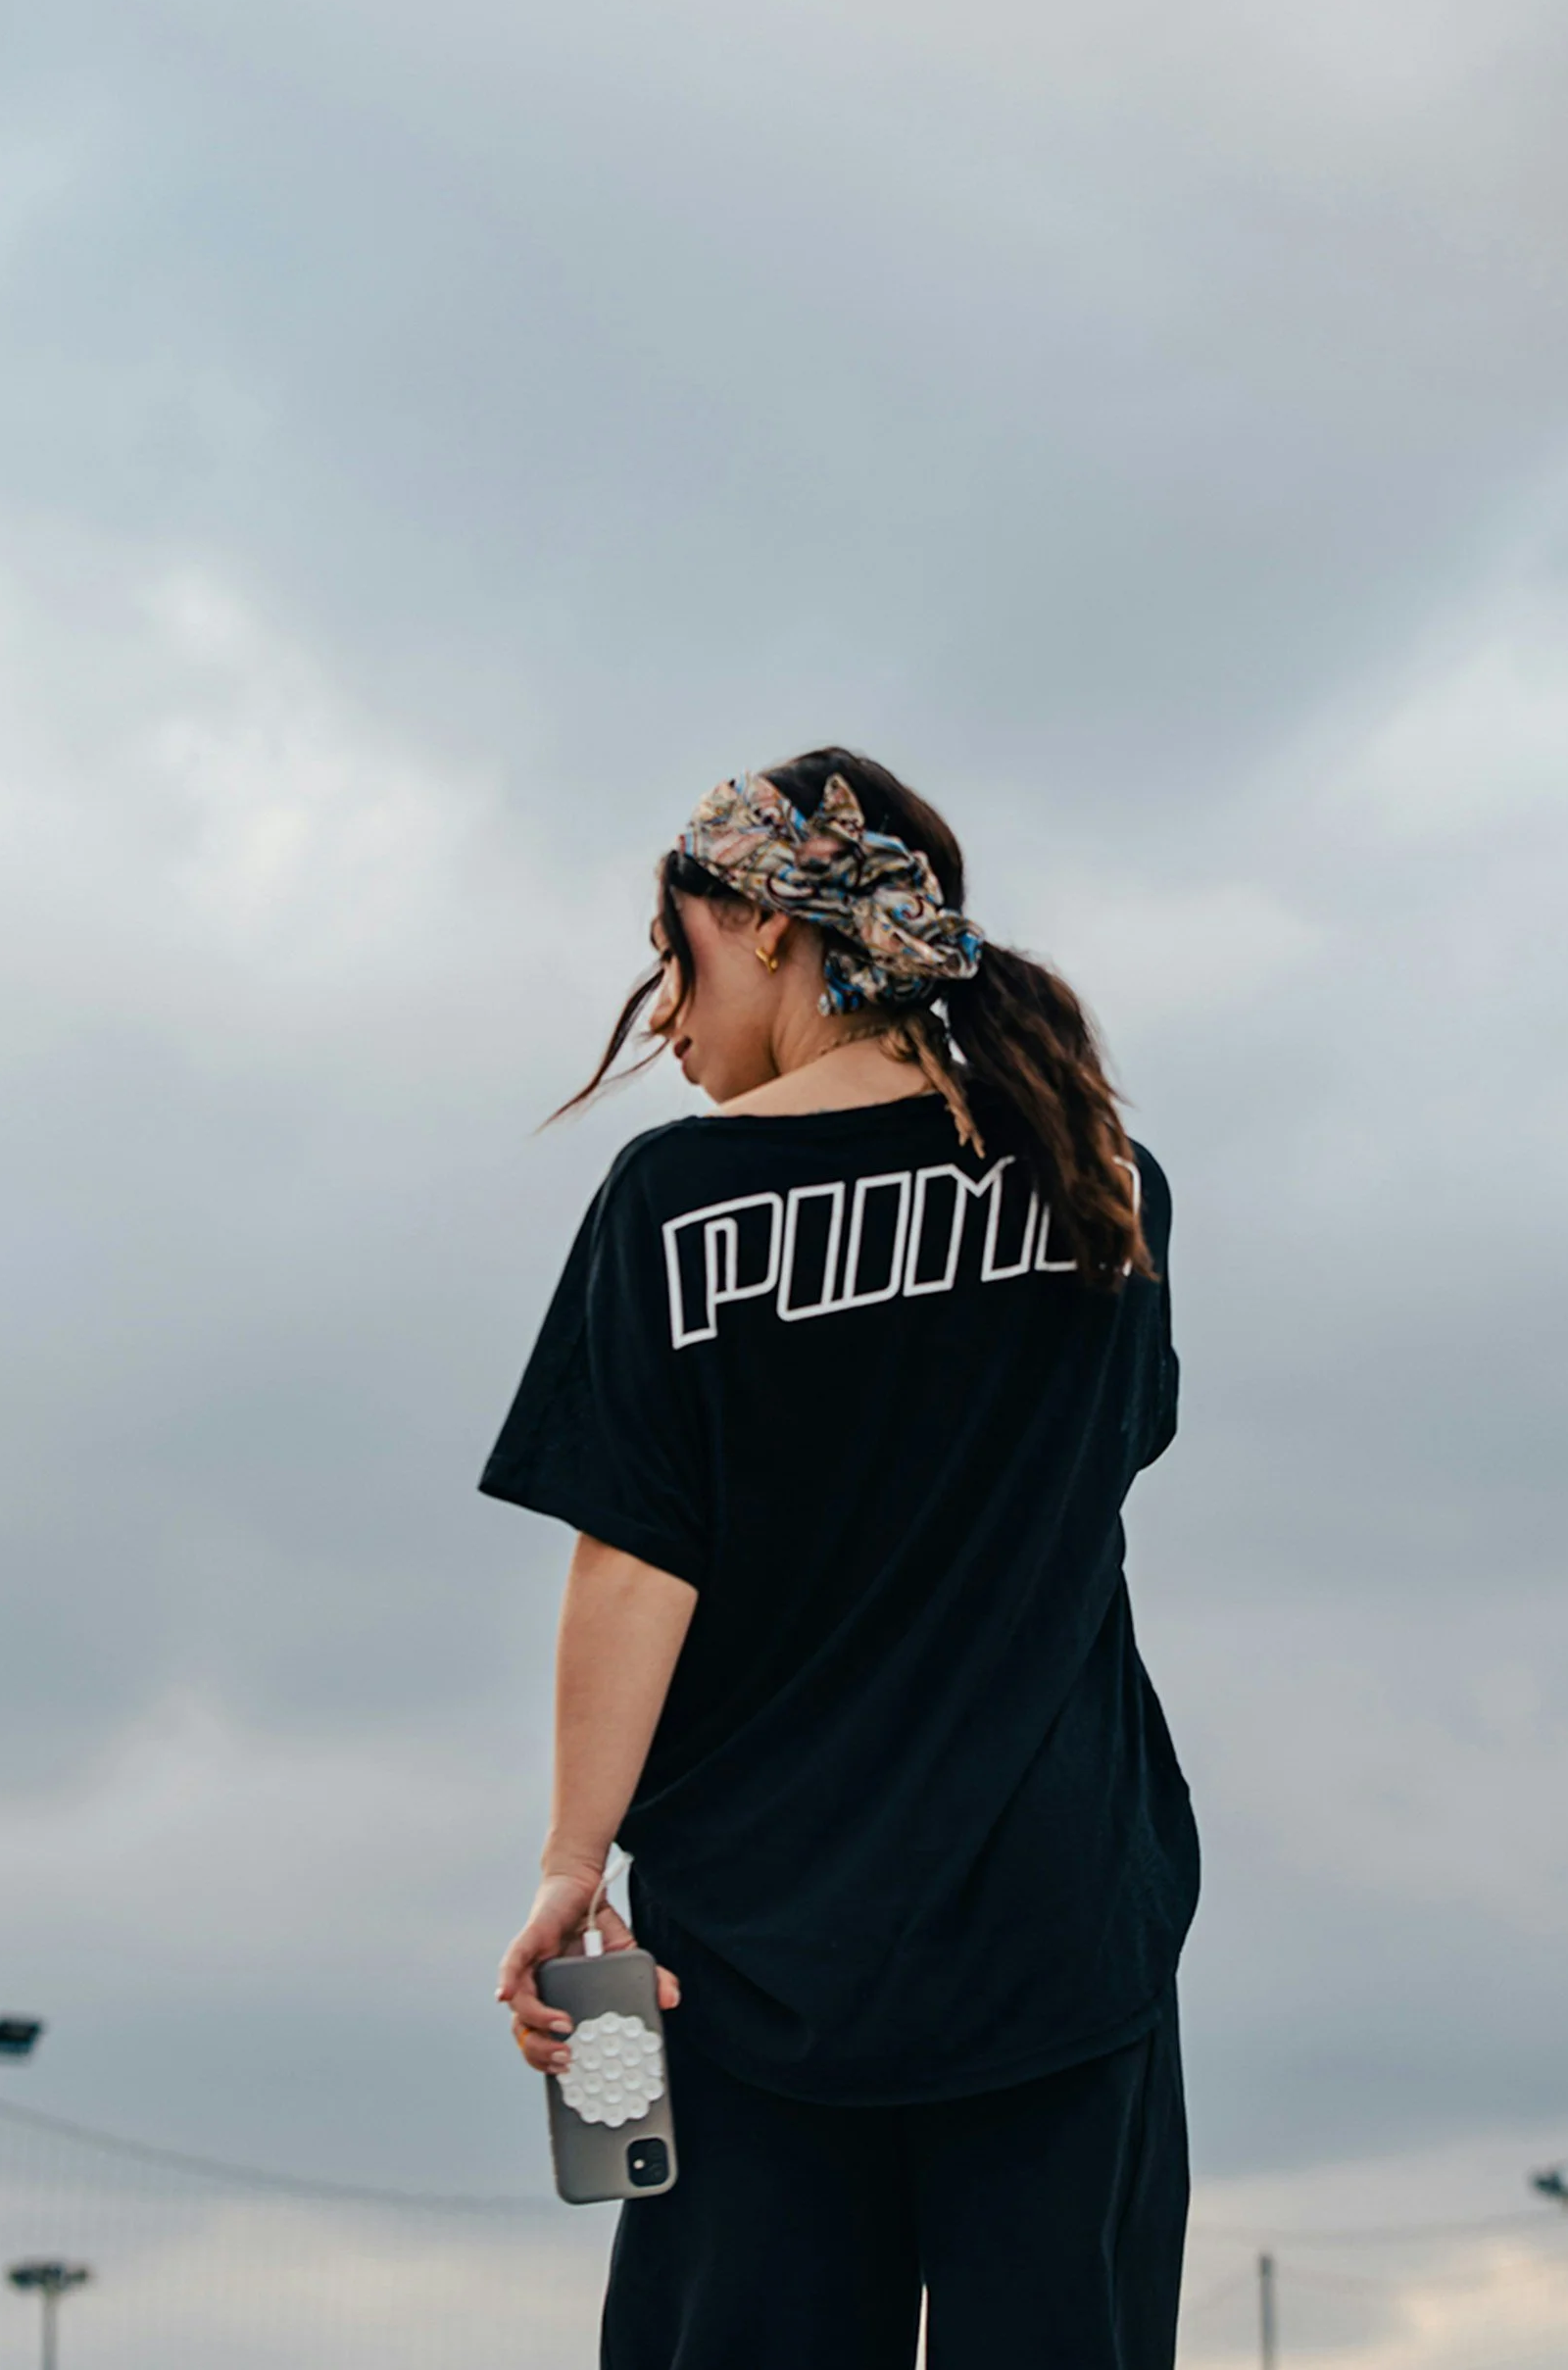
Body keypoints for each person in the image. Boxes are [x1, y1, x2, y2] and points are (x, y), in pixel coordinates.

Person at [483, 751, 1198, 2369]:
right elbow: (1102, 1469)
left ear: (767, 927)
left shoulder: (676, 1200)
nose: (663, 1015)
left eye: (673, 958)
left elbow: (633, 1560)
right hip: (1062, 1931)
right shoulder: (1106, 1187)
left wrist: (568, 1864)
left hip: (752, 1967)